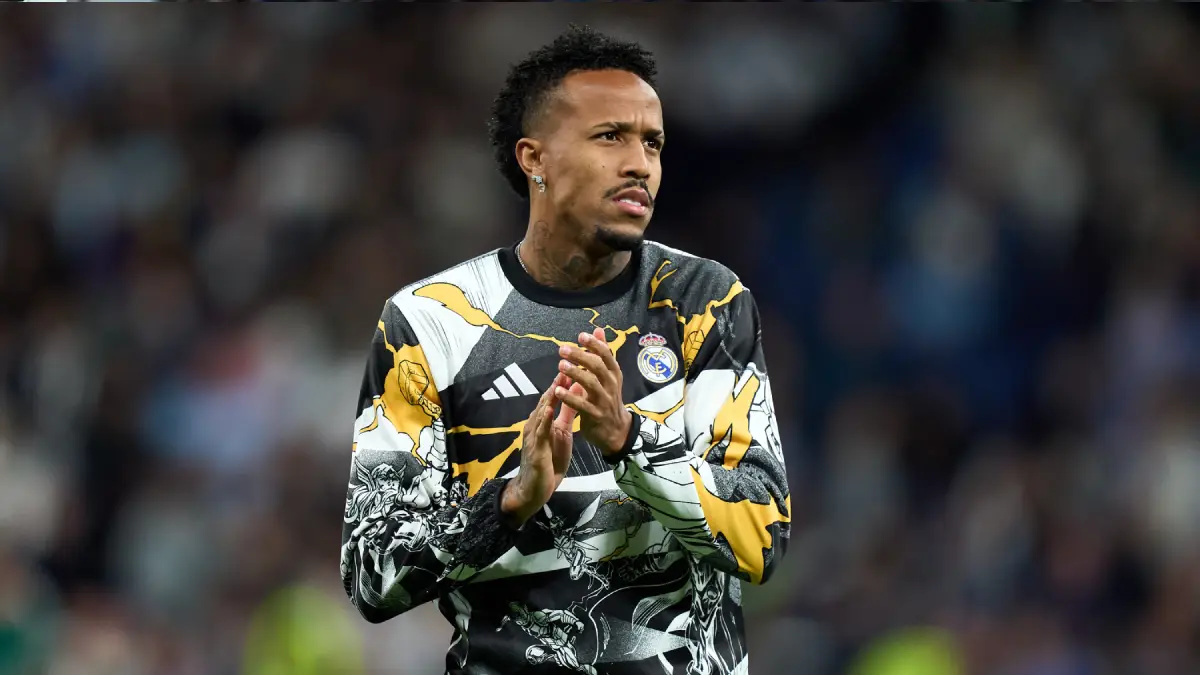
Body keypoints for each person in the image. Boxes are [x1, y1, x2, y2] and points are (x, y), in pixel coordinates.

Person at [340, 25, 791, 675]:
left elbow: (761, 535)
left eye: (653, 143)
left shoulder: (704, 302)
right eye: (610, 136)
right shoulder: (428, 323)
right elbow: (371, 575)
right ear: (535, 159)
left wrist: (630, 441)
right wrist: (509, 503)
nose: (641, 163)